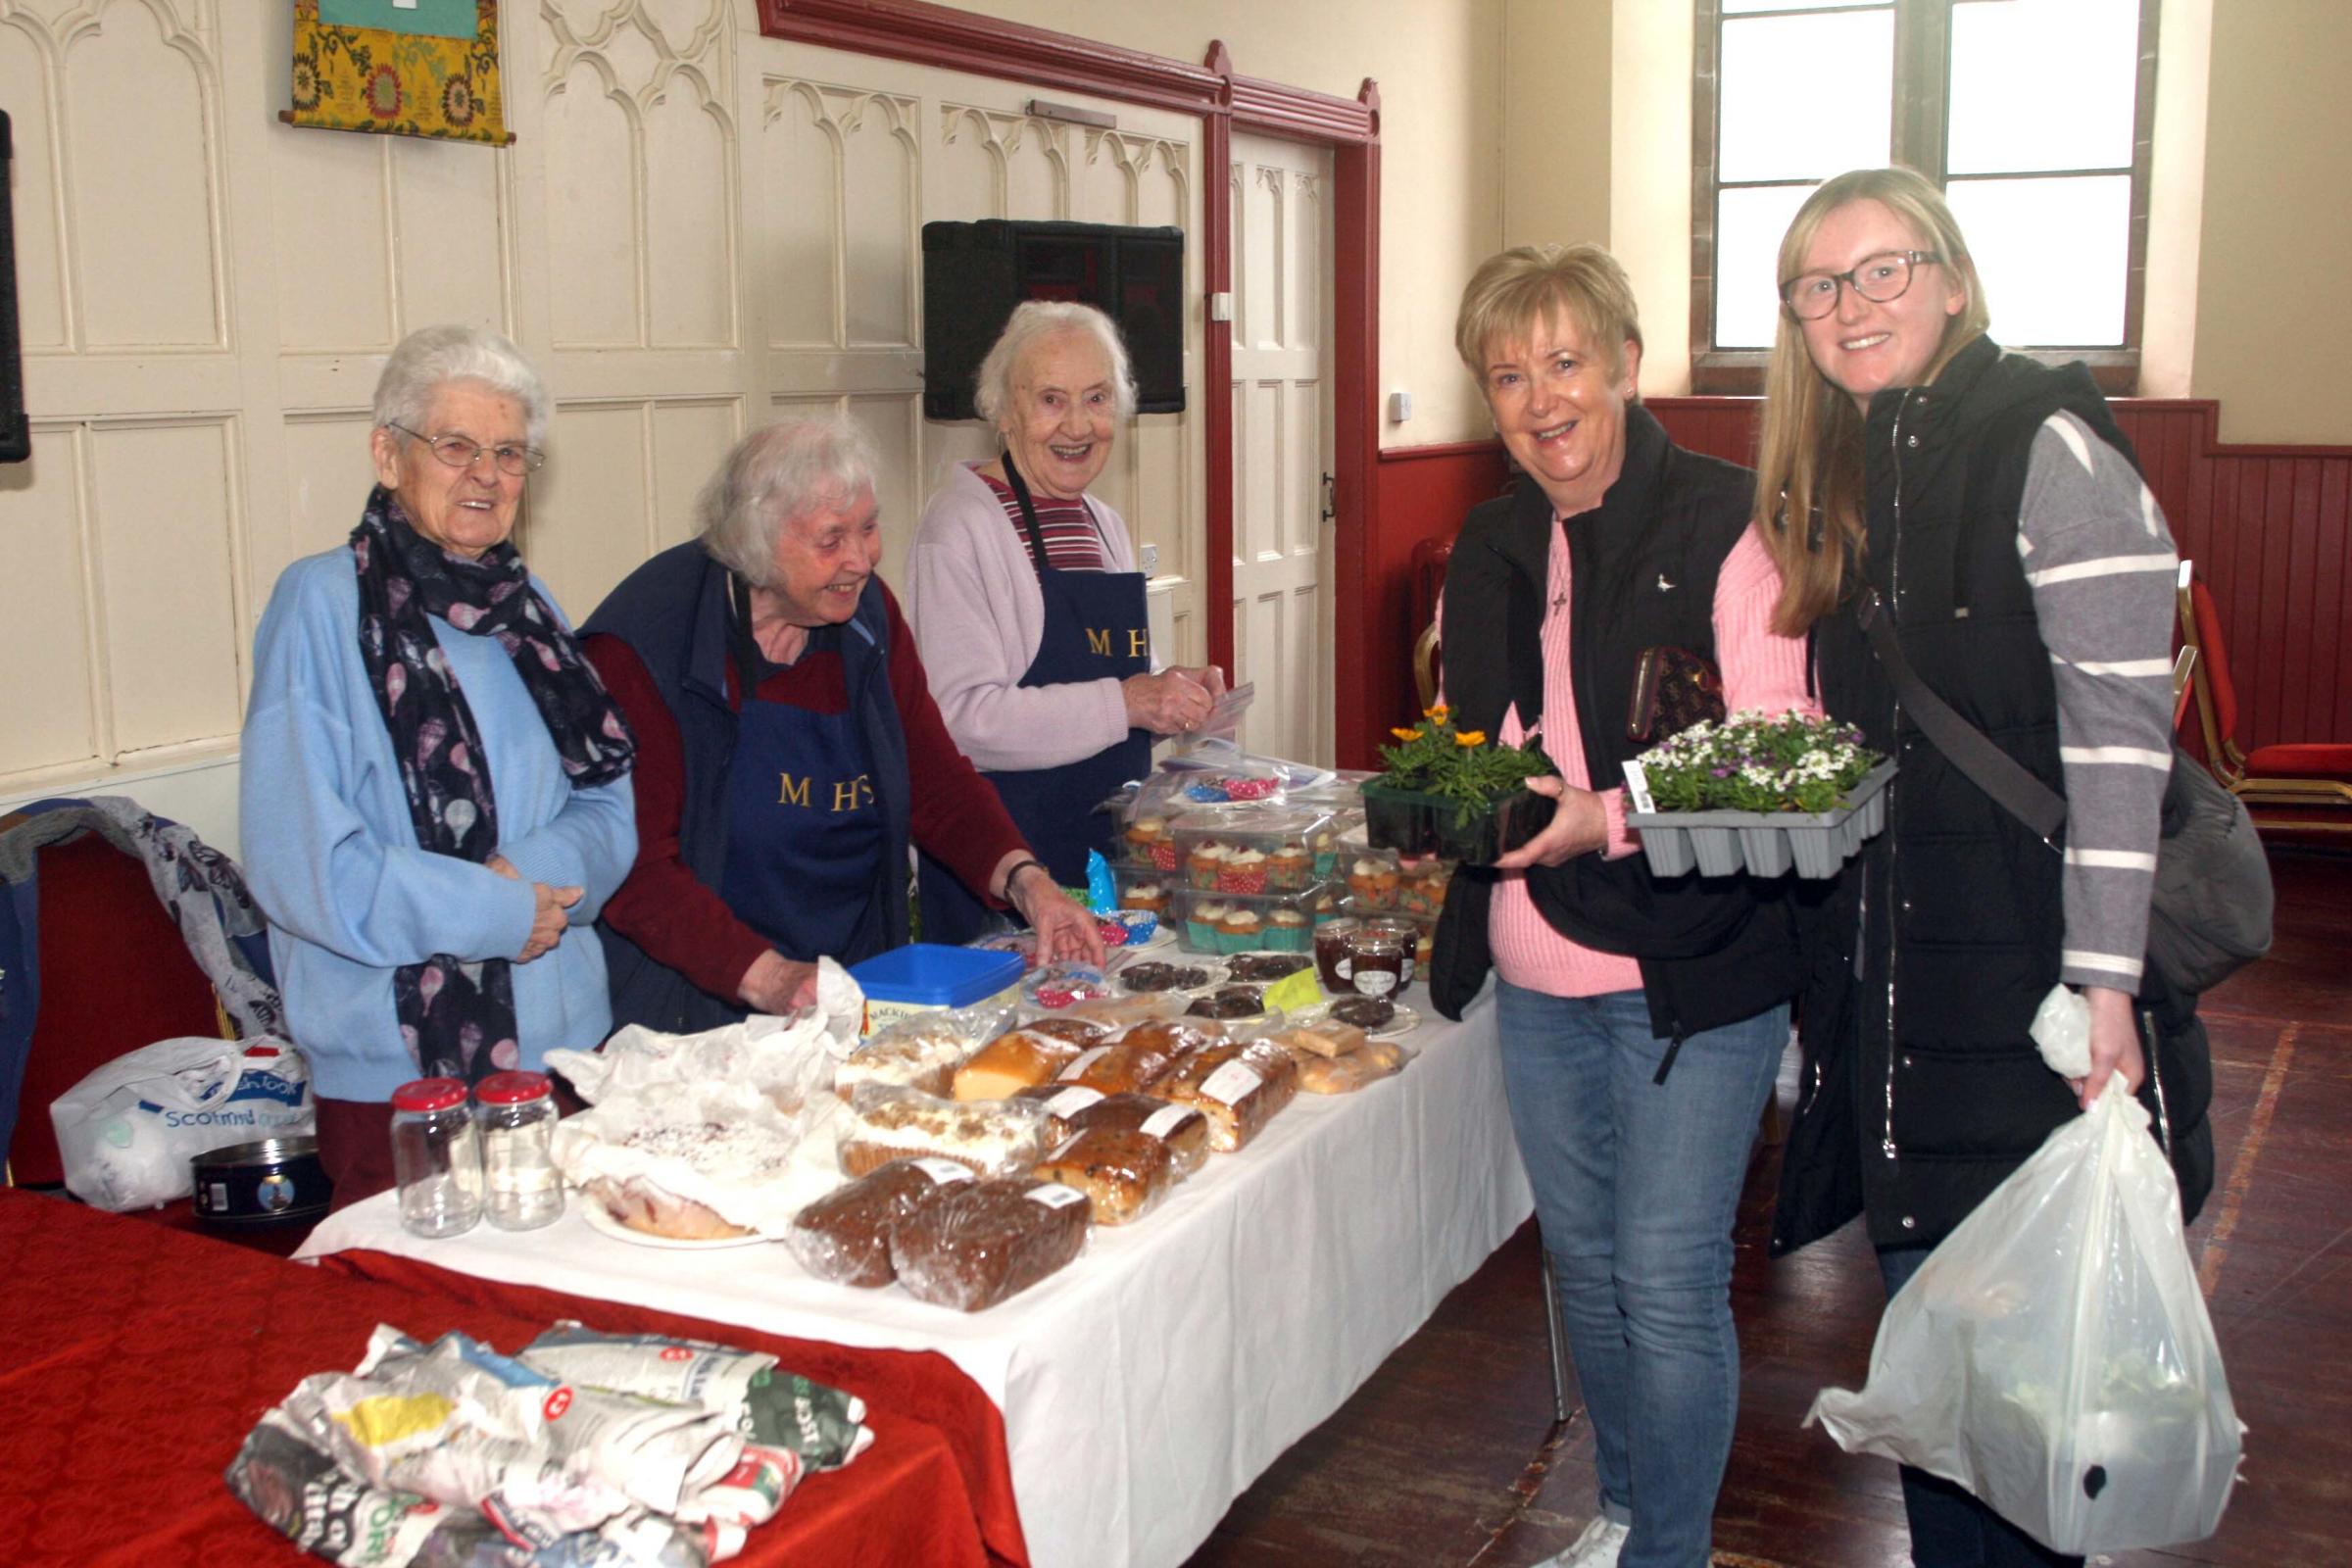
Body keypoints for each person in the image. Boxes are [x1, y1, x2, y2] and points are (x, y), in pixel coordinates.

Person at [1756, 167, 2215, 1568]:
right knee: (1948, 1401)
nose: (1854, 305)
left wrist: (2108, 992)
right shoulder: (1849, 474)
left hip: (2034, 1010)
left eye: (1886, 269)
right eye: (1821, 286)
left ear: (1955, 279)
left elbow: (2123, 745)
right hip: (1902, 1007)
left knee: (2029, 1423)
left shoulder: (2045, 446)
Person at [1427, 245, 1816, 1568]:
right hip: (1539, 970)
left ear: (1629, 364)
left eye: (1566, 362)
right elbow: (1476, 748)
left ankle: (1674, 1554)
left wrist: (1605, 813)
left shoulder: (1727, 519)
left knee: (1664, 1275)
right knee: (1585, 1270)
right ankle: (1633, 1509)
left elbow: (1774, 752)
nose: (1541, 399)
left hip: (1696, 967)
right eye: (1508, 375)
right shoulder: (1488, 542)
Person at [241, 325, 637, 1206]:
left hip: (564, 1062)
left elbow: (610, 808)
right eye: (455, 447)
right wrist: (497, 910)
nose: (485, 476)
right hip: (400, 1093)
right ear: (389, 454)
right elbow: (304, 865)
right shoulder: (318, 607)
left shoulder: (531, 611)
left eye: (509, 453)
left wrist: (532, 881)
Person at [582, 416, 1102, 1033]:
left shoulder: (867, 617)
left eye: (869, 528)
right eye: (831, 540)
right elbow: (633, 870)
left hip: (851, 976)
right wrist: (772, 977)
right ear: (754, 544)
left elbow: (933, 782)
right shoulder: (643, 648)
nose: (860, 559)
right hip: (695, 1001)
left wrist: (1028, 883)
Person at [904, 300, 1223, 943]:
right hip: (1008, 881)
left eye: (1098, 398)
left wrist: (1173, 694)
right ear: (1004, 410)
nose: (1078, 425)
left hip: (1102, 860)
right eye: (1052, 399)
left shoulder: (1103, 522)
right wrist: (1130, 701)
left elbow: (1120, 693)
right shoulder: (959, 529)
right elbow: (962, 724)